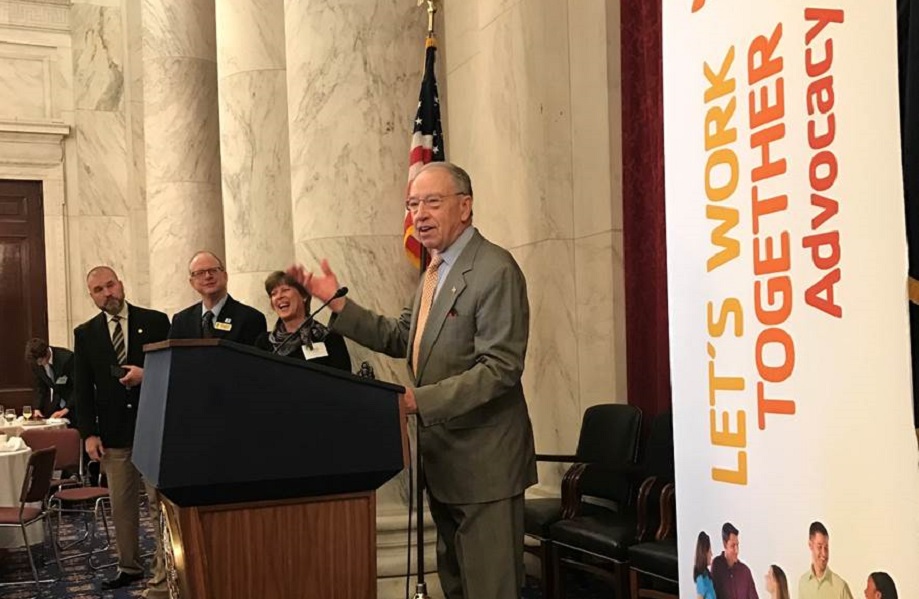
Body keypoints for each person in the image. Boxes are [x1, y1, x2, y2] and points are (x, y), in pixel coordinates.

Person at [289, 162, 536, 599]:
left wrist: (417, 400)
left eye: (431, 202)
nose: (419, 214)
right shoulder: (433, 273)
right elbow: (402, 335)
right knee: (458, 585)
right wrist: (337, 303)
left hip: (485, 463)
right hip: (443, 462)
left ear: (465, 206)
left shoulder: (494, 270)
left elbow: (500, 368)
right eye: (412, 204)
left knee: (491, 589)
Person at [73, 266, 171, 596]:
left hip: (153, 429)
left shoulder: (156, 321)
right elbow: (82, 388)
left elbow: (171, 370)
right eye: (98, 289)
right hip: (113, 437)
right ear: (92, 296)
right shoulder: (85, 333)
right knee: (122, 507)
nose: (107, 293)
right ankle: (129, 566)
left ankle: (167, 567)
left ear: (121, 284)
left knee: (160, 505)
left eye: (110, 285)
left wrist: (148, 375)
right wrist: (88, 433)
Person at [254, 271, 351, 371]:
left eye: (285, 290)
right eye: (273, 294)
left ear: (304, 296)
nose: (279, 296)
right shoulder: (264, 343)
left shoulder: (328, 339)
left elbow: (344, 382)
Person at [169, 250, 266, 345]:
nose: (208, 276)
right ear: (192, 282)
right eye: (200, 273)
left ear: (225, 276)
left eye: (213, 270)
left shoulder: (251, 318)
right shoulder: (181, 321)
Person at [798, 521, 853, 599]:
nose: (824, 554)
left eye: (826, 547)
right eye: (819, 547)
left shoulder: (840, 586)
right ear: (810, 545)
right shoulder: (803, 583)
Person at [24, 338, 74, 420]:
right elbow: (40, 386)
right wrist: (37, 408)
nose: (39, 364)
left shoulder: (67, 358)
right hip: (57, 403)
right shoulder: (36, 363)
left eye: (40, 361)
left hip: (75, 403)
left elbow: (79, 387)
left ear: (47, 352)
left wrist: (66, 409)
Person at [711, 522, 759, 599]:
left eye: (737, 545)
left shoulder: (745, 571)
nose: (737, 550)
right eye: (733, 546)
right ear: (724, 544)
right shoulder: (717, 565)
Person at [694, 531, 716, 599]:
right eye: (709, 551)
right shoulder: (701, 579)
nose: (711, 554)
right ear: (704, 553)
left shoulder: (707, 576)